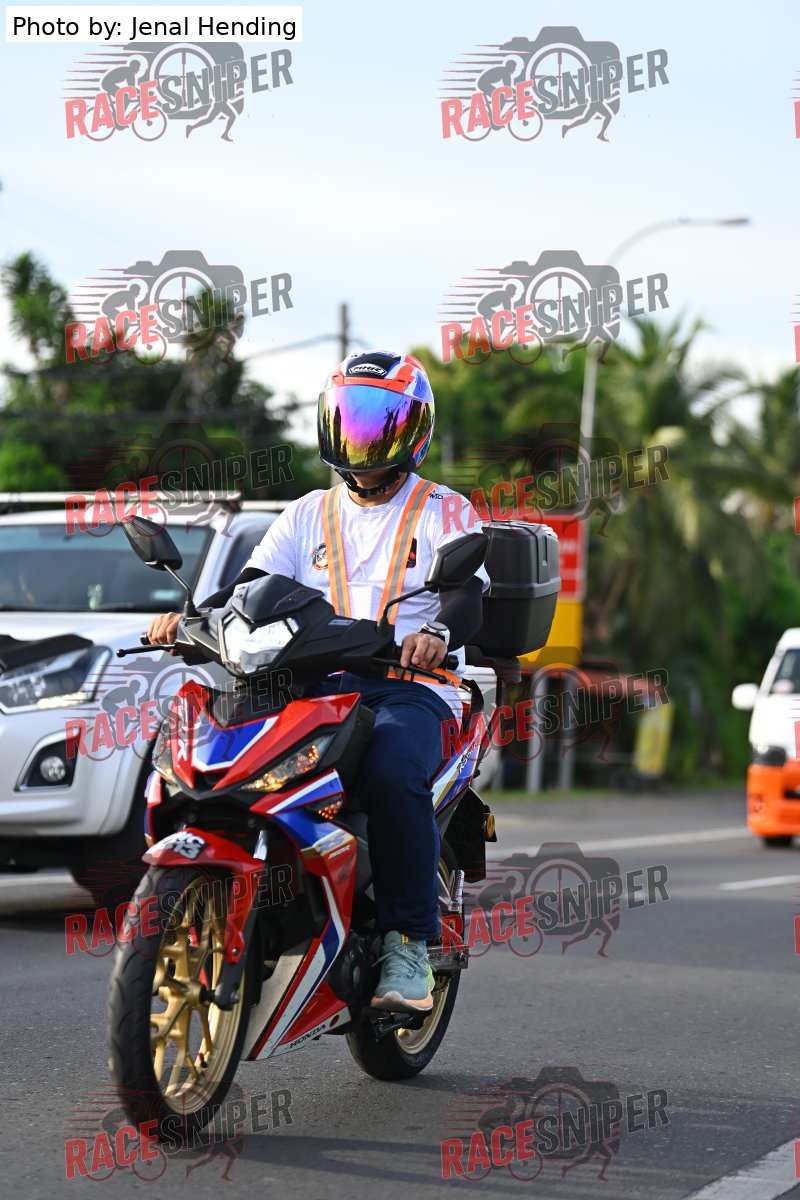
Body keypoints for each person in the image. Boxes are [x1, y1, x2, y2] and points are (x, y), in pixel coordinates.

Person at [146, 350, 488, 1012]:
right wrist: (189, 620)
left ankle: (408, 942)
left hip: (409, 687)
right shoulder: (307, 513)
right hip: (308, 681)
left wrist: (438, 634)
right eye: (352, 419)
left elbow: (466, 595)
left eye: (379, 421)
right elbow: (249, 588)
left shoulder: (444, 510)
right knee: (223, 756)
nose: (363, 438)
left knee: (392, 772)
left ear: (413, 430)